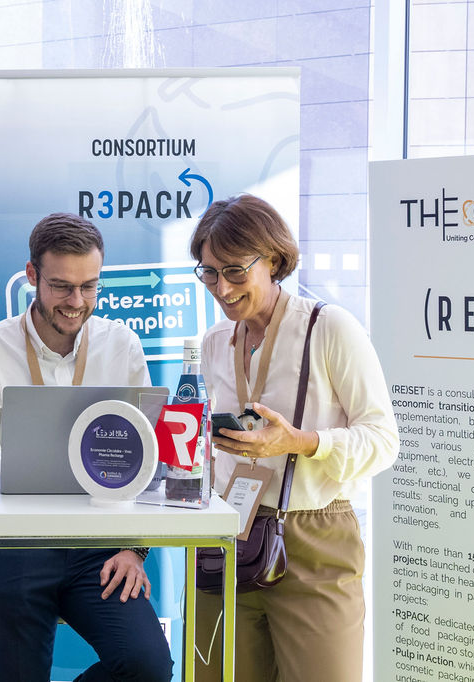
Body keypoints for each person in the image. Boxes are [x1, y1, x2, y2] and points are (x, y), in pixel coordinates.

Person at [190, 194, 399, 682]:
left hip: (315, 537)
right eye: (209, 273)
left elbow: (384, 439)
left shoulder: (329, 328)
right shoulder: (215, 343)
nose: (222, 287)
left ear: (275, 261)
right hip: (229, 534)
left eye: (235, 271)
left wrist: (301, 442)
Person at [0, 212, 172, 681]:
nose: (77, 302)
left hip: (100, 547)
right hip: (18, 543)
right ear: (32, 276)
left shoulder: (122, 346)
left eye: (89, 286)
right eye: (61, 286)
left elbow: (148, 458)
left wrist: (134, 549)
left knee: (148, 667)